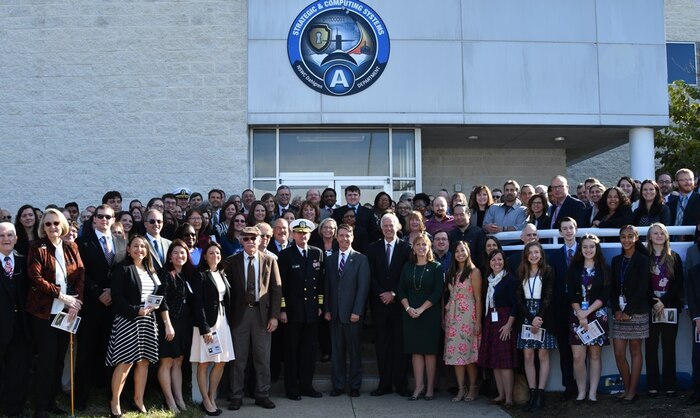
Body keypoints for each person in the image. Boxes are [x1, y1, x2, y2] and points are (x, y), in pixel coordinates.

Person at [26, 209, 85, 418]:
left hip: (66, 312)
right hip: (44, 313)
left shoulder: (71, 246)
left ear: (63, 226)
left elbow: (80, 275)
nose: (52, 227)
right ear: (43, 226)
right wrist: (62, 296)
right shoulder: (37, 247)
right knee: (47, 359)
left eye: (56, 223)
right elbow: (36, 278)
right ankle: (40, 407)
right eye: (48, 224)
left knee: (60, 358)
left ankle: (51, 401)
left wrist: (75, 303)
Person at [75, 205, 127, 410]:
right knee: (86, 352)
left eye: (108, 217)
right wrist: (98, 292)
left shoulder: (121, 242)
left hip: (114, 305)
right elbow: (80, 272)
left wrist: (112, 293)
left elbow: (123, 272)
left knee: (111, 351)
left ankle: (110, 396)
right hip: (91, 304)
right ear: (94, 219)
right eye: (100, 217)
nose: (104, 220)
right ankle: (80, 399)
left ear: (113, 219)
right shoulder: (83, 242)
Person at [106, 235, 164, 417]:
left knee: (144, 362)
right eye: (136, 246)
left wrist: (155, 304)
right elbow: (117, 296)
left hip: (148, 321)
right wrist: (136, 310)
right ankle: (114, 402)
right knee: (125, 362)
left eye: (143, 247)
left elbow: (157, 292)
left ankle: (138, 400)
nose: (140, 250)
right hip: (128, 321)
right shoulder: (122, 269)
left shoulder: (150, 269)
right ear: (129, 249)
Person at [225, 227, 281, 410]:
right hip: (239, 315)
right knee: (238, 359)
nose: (250, 241)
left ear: (260, 240)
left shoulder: (270, 260)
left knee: (262, 357)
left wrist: (274, 316)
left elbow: (276, 289)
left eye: (253, 238)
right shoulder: (232, 261)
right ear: (241, 240)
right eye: (246, 238)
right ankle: (236, 395)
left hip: (261, 315)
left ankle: (262, 394)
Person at [278, 219, 325, 400]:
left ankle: (307, 386)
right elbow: (281, 285)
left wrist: (320, 305)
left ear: (310, 234)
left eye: (305, 233)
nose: (302, 235)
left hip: (312, 311)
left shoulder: (317, 253)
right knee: (292, 352)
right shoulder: (286, 255)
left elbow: (320, 283)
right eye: (298, 232)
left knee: (309, 351)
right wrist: (282, 309)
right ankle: (292, 388)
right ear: (293, 234)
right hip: (292, 312)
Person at [367, 213, 411, 397]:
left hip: (399, 304)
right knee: (382, 346)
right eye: (385, 225)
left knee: (399, 346)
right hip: (379, 305)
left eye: (391, 225)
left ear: (398, 226)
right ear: (381, 227)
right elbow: (370, 275)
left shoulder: (407, 248)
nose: (388, 228)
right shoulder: (372, 248)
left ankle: (401, 385)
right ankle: (384, 384)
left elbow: (406, 274)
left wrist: (394, 293)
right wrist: (382, 293)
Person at [324, 224, 370, 398]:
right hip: (334, 314)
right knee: (337, 353)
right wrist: (327, 308)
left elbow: (363, 288)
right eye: (341, 236)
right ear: (337, 238)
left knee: (355, 352)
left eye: (347, 235)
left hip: (353, 315)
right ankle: (338, 385)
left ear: (352, 237)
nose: (344, 239)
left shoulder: (361, 259)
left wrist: (357, 311)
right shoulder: (330, 260)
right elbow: (327, 285)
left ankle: (355, 385)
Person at [191, 242, 235, 415]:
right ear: (204, 256)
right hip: (208, 324)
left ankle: (211, 397)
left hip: (223, 322)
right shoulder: (200, 275)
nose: (215, 256)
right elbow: (197, 304)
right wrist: (205, 329)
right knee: (205, 362)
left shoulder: (222, 274)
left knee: (221, 361)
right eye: (211, 253)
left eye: (217, 253)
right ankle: (205, 400)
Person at [398, 232, 443, 401]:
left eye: (424, 244)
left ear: (429, 246)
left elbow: (438, 291)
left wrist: (422, 309)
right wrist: (408, 308)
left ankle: (430, 388)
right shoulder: (407, 267)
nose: (421, 248)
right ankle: (419, 386)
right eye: (418, 245)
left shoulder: (436, 267)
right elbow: (401, 289)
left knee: (430, 352)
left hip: (429, 313)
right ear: (413, 248)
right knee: (416, 351)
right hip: (410, 314)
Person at [567, 234, 610, 403]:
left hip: (597, 315)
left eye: (591, 246)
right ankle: (581, 391)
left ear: (596, 248)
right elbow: (570, 292)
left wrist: (587, 313)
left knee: (594, 355)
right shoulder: (574, 268)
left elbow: (604, 295)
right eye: (585, 247)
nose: (588, 250)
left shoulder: (604, 268)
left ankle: (592, 393)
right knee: (578, 356)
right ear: (580, 249)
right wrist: (580, 313)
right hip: (577, 314)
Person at [610, 225, 650, 404]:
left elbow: (643, 288)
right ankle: (627, 389)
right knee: (619, 353)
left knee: (635, 351)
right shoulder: (617, 260)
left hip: (637, 312)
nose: (626, 240)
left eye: (630, 236)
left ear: (636, 238)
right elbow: (612, 288)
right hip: (619, 314)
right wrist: (617, 310)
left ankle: (632, 392)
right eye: (623, 237)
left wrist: (628, 311)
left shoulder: (643, 260)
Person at [515, 242, 556, 411]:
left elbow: (548, 295)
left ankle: (540, 394)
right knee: (528, 355)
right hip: (527, 317)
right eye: (530, 252)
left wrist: (539, 317)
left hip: (543, 315)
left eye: (536, 252)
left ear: (541, 254)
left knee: (543, 355)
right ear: (526, 255)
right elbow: (519, 299)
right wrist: (530, 318)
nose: (533, 255)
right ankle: (532, 393)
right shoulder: (521, 271)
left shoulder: (548, 271)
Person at [157, 239, 195, 413]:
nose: (180, 256)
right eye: (176, 253)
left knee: (178, 361)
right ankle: (170, 400)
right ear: (170, 256)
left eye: (183, 252)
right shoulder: (166, 273)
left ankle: (179, 399)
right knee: (166, 361)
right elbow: (161, 300)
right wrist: (167, 325)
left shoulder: (187, 274)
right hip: (169, 323)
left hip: (184, 324)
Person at [645, 223, 683, 397]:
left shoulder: (674, 257)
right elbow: (642, 285)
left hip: (670, 307)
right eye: (655, 233)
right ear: (650, 237)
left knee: (669, 347)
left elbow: (678, 284)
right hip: (650, 307)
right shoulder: (644, 257)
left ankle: (670, 385)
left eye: (662, 233)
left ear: (666, 236)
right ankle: (652, 385)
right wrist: (654, 301)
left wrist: (663, 301)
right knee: (651, 347)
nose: (659, 235)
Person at [443, 241, 482, 402]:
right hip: (453, 317)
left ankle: (473, 388)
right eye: (457, 251)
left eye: (463, 250)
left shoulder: (474, 272)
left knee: (469, 356)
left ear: (468, 252)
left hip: (468, 317)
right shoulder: (451, 272)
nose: (460, 253)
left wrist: (478, 321)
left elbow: (478, 298)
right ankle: (460, 389)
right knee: (455, 356)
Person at [0, 222, 32, 417]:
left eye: (10, 235)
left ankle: (14, 408)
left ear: (16, 238)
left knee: (17, 371)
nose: (6, 239)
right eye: (2, 235)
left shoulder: (23, 261)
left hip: (20, 327)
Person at [477, 249, 517, 408]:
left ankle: (509, 398)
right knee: (495, 362)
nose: (497, 263)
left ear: (504, 261)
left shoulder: (509, 280)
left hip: (505, 321)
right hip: (491, 320)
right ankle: (500, 395)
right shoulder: (489, 280)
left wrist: (508, 325)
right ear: (489, 263)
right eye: (493, 260)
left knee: (505, 363)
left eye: (499, 260)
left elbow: (515, 305)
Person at [547, 217, 578, 400]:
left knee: (583, 348)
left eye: (570, 228)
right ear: (560, 232)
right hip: (561, 310)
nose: (568, 231)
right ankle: (569, 385)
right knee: (565, 350)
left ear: (576, 229)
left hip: (583, 309)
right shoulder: (555, 256)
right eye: (564, 228)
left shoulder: (585, 251)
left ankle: (583, 384)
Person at [669, 168, 700, 237]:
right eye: (684, 180)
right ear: (676, 183)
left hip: (693, 243)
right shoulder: (670, 204)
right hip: (672, 243)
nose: (688, 182)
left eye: (690, 179)